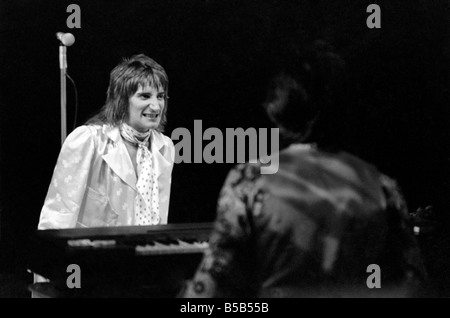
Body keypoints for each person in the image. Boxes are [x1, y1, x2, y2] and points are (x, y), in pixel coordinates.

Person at [180, 41, 426, 298]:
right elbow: (414, 287)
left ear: (278, 107)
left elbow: (206, 294)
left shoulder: (248, 180)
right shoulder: (383, 187)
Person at [38, 54, 175, 229]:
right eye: (145, 96)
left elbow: (159, 219)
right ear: (122, 100)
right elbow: (59, 214)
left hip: (141, 252)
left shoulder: (164, 147)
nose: (156, 106)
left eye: (161, 96)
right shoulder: (89, 141)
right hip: (90, 254)